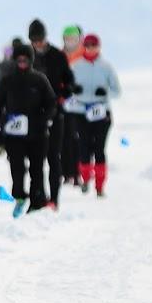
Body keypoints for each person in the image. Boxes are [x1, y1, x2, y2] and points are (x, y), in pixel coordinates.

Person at [0, 45, 56, 216]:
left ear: (31, 60)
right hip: (14, 135)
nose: (22, 62)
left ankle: (37, 202)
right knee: (16, 169)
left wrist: (43, 120)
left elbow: (51, 103)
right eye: (19, 59)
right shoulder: (7, 81)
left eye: (25, 59)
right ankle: (19, 197)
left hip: (38, 135)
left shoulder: (39, 80)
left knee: (37, 169)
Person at [28, 19, 76, 208]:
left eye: (40, 40)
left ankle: (54, 199)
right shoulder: (28, 56)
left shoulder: (58, 55)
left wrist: (64, 95)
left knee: (53, 156)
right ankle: (38, 198)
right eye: (34, 40)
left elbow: (69, 81)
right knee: (35, 159)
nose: (37, 44)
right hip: (34, 115)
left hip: (56, 112)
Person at [72, 33, 121, 197]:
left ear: (99, 47)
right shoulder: (76, 66)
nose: (90, 48)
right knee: (84, 147)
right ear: (83, 47)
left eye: (94, 45)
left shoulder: (106, 67)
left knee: (99, 149)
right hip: (81, 112)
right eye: (87, 45)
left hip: (101, 113)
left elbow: (117, 91)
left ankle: (100, 186)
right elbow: (66, 88)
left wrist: (105, 92)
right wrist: (74, 90)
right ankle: (85, 179)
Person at [60, 24, 86, 185]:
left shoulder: (85, 56)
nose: (70, 42)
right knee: (64, 139)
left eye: (73, 39)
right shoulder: (60, 56)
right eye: (67, 39)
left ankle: (79, 173)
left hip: (83, 104)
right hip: (64, 103)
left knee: (80, 140)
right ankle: (67, 173)